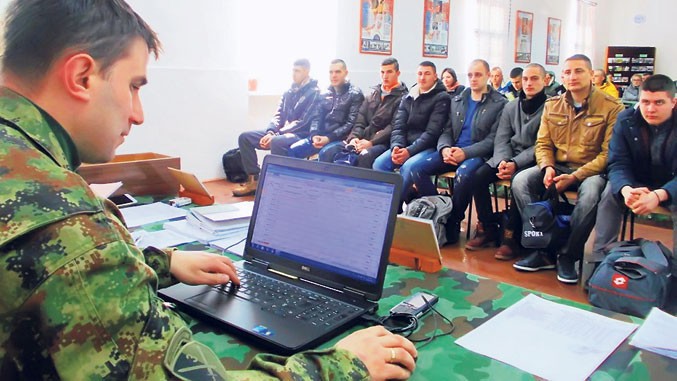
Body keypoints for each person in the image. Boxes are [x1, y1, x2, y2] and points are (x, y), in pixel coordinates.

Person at [0, 1, 418, 380]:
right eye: (134, 86)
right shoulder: (69, 229)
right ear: (81, 76)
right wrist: (342, 366)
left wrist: (161, 263)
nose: (139, 114)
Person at [511, 54, 624, 284]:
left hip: (591, 169)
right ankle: (542, 249)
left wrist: (574, 177)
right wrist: (547, 167)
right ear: (562, 76)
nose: (572, 76)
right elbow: (543, 144)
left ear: (592, 75)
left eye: (579, 71)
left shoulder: (612, 107)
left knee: (592, 193)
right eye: (567, 72)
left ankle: (568, 254)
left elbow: (607, 154)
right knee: (521, 181)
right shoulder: (553, 105)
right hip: (558, 164)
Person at [409, 59, 507, 244]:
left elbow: (492, 140)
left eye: (478, 75)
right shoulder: (458, 99)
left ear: (488, 76)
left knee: (464, 174)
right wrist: (445, 148)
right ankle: (442, 212)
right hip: (452, 150)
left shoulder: (499, 103)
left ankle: (453, 222)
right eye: (470, 75)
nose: (473, 79)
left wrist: (466, 153)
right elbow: (446, 130)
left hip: (477, 154)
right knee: (417, 169)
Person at [591, 74, 676, 273]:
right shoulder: (626, 119)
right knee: (609, 194)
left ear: (673, 102)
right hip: (636, 182)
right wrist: (626, 189)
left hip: (671, 184)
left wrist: (658, 195)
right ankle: (600, 264)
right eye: (645, 102)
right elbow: (618, 162)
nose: (650, 109)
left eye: (659, 102)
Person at [464, 63, 548, 259]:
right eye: (525, 79)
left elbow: (542, 145)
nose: (528, 83)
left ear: (545, 81)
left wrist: (515, 163)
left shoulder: (551, 107)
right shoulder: (511, 106)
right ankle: (488, 227)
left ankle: (511, 237)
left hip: (533, 161)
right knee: (479, 176)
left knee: (519, 182)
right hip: (507, 157)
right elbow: (501, 138)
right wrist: (503, 161)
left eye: (534, 78)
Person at [233, 59, 320, 196]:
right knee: (245, 137)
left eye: (298, 71)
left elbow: (303, 122)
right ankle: (254, 181)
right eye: (293, 70)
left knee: (277, 141)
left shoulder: (315, 93)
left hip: (301, 134)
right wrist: (271, 131)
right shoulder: (289, 92)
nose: (294, 74)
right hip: (280, 132)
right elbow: (278, 115)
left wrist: (275, 135)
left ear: (307, 72)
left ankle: (280, 184)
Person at [373, 61, 450, 206]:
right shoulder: (408, 96)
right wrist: (397, 146)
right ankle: (402, 201)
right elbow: (398, 127)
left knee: (408, 167)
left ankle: (390, 208)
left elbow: (432, 133)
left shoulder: (442, 98)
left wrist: (409, 151)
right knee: (379, 164)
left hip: (428, 147)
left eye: (427, 74)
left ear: (435, 76)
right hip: (405, 145)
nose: (422, 77)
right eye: (420, 73)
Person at [319, 57, 407, 168]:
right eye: (382, 72)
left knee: (364, 156)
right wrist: (354, 138)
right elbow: (359, 121)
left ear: (398, 73)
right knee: (327, 153)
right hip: (361, 139)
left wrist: (371, 142)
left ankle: (357, 185)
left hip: (383, 143)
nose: (385, 76)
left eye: (389, 72)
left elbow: (393, 127)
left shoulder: (403, 98)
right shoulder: (372, 95)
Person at [288, 59, 364, 159]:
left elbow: (351, 123)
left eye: (338, 72)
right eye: (331, 72)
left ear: (346, 73)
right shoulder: (324, 92)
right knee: (294, 149)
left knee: (325, 153)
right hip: (320, 136)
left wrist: (328, 138)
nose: (334, 75)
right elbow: (316, 117)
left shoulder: (355, 94)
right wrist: (314, 135)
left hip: (340, 138)